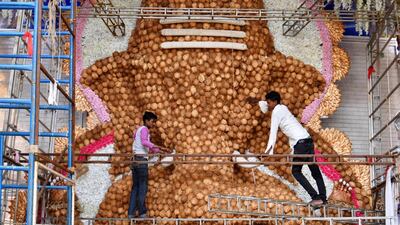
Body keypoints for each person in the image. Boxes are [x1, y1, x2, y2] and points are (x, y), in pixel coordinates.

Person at [261, 91, 327, 206]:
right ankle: (322, 198)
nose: (268, 105)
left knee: (296, 172)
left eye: (269, 102)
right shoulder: (283, 108)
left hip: (300, 144)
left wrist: (269, 152)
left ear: (275, 101)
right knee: (315, 172)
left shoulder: (276, 111)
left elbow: (273, 133)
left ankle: (315, 197)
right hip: (307, 141)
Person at [128, 111, 170, 218]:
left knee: (135, 187)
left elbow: (144, 147)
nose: (153, 124)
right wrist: (159, 147)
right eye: (152, 121)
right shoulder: (145, 129)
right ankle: (142, 212)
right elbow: (144, 142)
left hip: (135, 159)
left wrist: (160, 151)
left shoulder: (138, 130)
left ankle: (131, 213)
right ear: (146, 121)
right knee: (142, 187)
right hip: (141, 161)